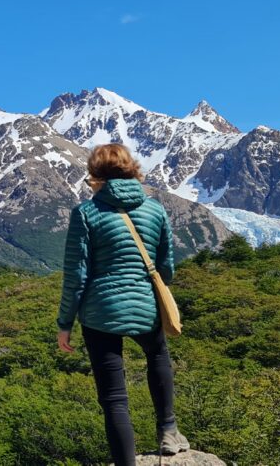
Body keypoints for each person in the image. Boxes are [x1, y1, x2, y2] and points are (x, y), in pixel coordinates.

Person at [56, 143, 190, 466]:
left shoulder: (86, 213)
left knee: (115, 398)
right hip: (145, 306)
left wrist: (65, 324)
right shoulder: (156, 210)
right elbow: (167, 268)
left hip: (99, 313)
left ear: (96, 177)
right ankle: (168, 431)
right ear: (133, 171)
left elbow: (76, 275)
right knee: (157, 355)